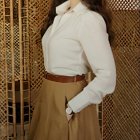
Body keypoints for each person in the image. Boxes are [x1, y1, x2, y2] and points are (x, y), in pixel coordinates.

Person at [28, 0, 116, 140]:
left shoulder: (89, 18)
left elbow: (107, 76)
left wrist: (72, 108)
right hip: (47, 94)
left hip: (70, 97)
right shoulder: (59, 15)